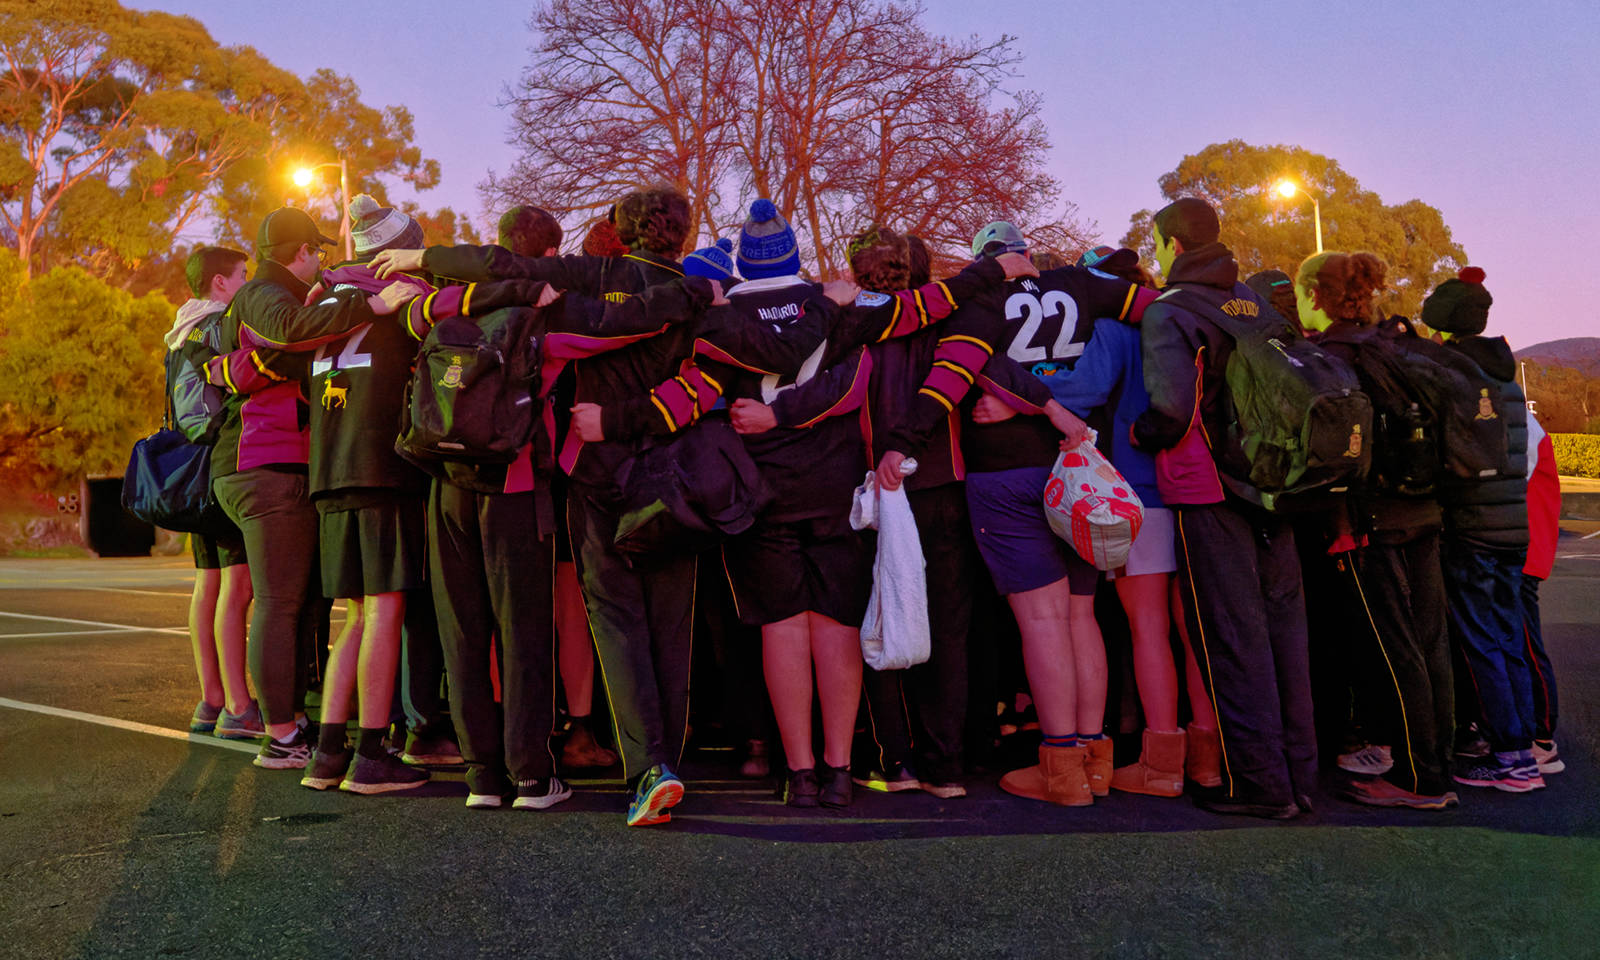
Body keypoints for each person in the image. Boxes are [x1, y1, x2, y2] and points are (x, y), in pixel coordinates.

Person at [877, 220, 1154, 808]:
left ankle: (1061, 769)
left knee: (1045, 623)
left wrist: (904, 442)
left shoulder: (980, 299)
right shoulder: (1079, 283)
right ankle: (1094, 761)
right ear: (1028, 255)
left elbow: (950, 375)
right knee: (1082, 618)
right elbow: (1158, 308)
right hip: (1076, 468)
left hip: (1006, 476)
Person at [206, 207, 415, 771]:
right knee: (279, 602)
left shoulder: (279, 297)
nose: (321, 262)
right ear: (300, 252)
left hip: (276, 464)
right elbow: (295, 333)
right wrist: (371, 303)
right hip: (263, 462)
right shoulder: (261, 294)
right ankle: (280, 734)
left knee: (297, 604)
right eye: (316, 252)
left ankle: (294, 723)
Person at [1133, 197, 1315, 818]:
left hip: (1209, 486)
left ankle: (1260, 787)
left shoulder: (1172, 310)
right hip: (1274, 482)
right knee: (1286, 632)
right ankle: (1301, 777)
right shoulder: (1251, 299)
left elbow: (1173, 411)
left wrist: (1139, 433)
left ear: (1172, 245)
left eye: (1155, 243)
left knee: (1231, 637)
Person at [1032, 245, 1220, 798]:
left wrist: (1025, 378)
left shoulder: (1112, 333)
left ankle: (1161, 762)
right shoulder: (1185, 324)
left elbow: (1078, 391)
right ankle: (1207, 758)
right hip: (1200, 491)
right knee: (1196, 632)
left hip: (1136, 492)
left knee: (1148, 631)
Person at [1293, 250, 1458, 810]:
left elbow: (1328, 453)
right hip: (1422, 509)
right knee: (1431, 643)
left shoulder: (1327, 356)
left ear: (1316, 295)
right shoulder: (1393, 345)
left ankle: (1418, 779)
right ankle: (1438, 763)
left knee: (1395, 647)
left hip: (1366, 521)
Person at [1422, 268, 1540, 793]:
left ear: (1443, 326)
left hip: (1470, 524)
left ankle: (1509, 756)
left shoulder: (1454, 377)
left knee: (1480, 641)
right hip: (1514, 524)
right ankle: (1527, 748)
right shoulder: (1507, 378)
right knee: (1510, 636)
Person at [166, 245, 257, 739]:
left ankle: (212, 698)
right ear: (220, 283)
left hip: (190, 469)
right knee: (237, 586)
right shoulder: (221, 325)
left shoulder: (179, 332)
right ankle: (240, 707)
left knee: (208, 585)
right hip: (221, 461)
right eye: (243, 274)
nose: (248, 282)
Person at [1522, 409, 1563, 775]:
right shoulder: (1520, 417)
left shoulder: (1519, 421)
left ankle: (1543, 739)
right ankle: (1536, 734)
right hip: (1524, 546)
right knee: (1520, 643)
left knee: (1527, 644)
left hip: (1523, 549)